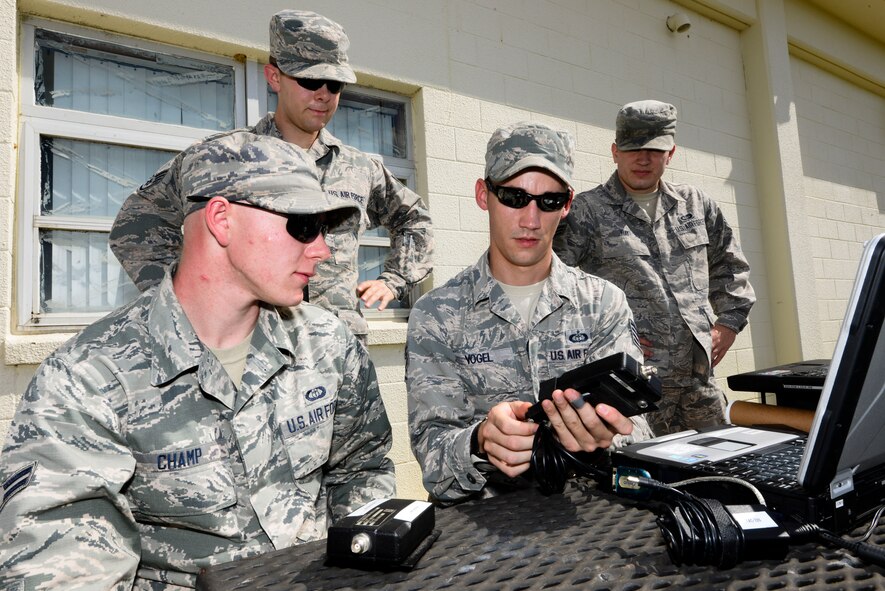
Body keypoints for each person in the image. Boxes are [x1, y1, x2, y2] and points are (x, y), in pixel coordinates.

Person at [0, 132, 395, 589]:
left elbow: (362, 469)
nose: (323, 249)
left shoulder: (328, 343)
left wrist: (357, 564)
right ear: (222, 219)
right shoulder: (87, 379)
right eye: (303, 226)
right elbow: (59, 570)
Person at [109, 10, 433, 340]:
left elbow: (414, 219)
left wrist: (394, 279)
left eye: (334, 84)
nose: (323, 94)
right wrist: (183, 302)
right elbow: (137, 223)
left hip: (337, 352)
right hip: (253, 354)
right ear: (274, 77)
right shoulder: (226, 157)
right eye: (309, 80)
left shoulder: (359, 169)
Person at [406, 122, 654, 505]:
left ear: (568, 204)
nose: (531, 220)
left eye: (549, 201)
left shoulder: (603, 303)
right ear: (483, 194)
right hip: (483, 525)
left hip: (591, 515)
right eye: (514, 197)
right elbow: (433, 458)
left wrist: (610, 433)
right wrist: (480, 441)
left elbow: (639, 428)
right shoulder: (436, 316)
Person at [554, 100, 756, 435]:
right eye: (633, 149)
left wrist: (728, 324)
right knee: (646, 479)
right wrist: (600, 338)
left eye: (654, 149)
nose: (643, 159)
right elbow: (555, 287)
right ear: (615, 151)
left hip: (699, 384)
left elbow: (729, 267)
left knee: (716, 476)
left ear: (671, 152)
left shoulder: (695, 205)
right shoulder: (586, 212)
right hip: (634, 389)